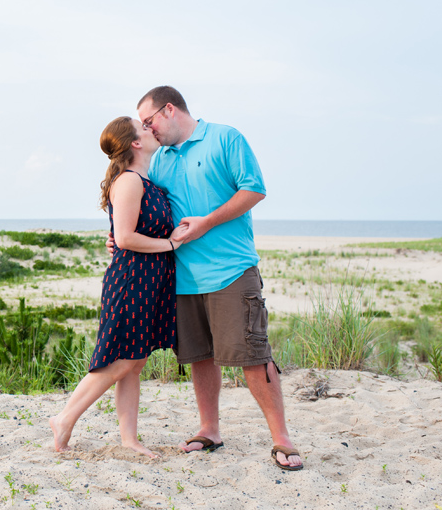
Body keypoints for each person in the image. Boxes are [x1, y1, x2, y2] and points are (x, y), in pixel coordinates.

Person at [112, 85, 303, 470]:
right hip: (180, 277)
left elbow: (254, 190)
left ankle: (282, 439)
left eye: (149, 121)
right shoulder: (159, 159)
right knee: (200, 357)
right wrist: (119, 235)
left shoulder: (225, 138)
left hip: (231, 270)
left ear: (169, 110)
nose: (148, 131)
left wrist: (206, 224)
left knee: (253, 355)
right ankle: (210, 429)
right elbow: (139, 204)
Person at [50, 116, 184, 457]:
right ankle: (64, 418)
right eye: (144, 128)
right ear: (135, 143)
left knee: (134, 362)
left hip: (149, 281)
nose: (151, 130)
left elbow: (121, 234)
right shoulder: (129, 182)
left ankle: (129, 439)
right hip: (132, 281)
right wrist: (170, 245)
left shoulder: (144, 180)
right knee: (121, 361)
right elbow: (125, 238)